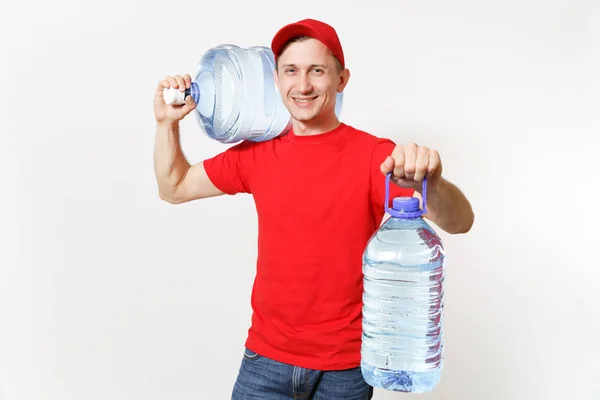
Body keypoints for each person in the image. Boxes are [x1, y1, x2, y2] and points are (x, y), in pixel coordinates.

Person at [153, 18, 474, 400]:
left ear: (341, 80)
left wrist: (432, 183)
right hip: (265, 359)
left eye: (317, 71)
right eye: (291, 71)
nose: (302, 86)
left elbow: (460, 222)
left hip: (346, 368)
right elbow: (174, 187)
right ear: (276, 79)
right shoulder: (255, 154)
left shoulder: (375, 157)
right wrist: (165, 125)